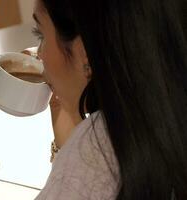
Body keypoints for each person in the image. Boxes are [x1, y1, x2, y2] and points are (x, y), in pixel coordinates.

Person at [29, 0, 187, 199]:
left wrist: (80, 149)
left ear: (83, 51)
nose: (39, 55)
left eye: (41, 35)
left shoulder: (100, 149)